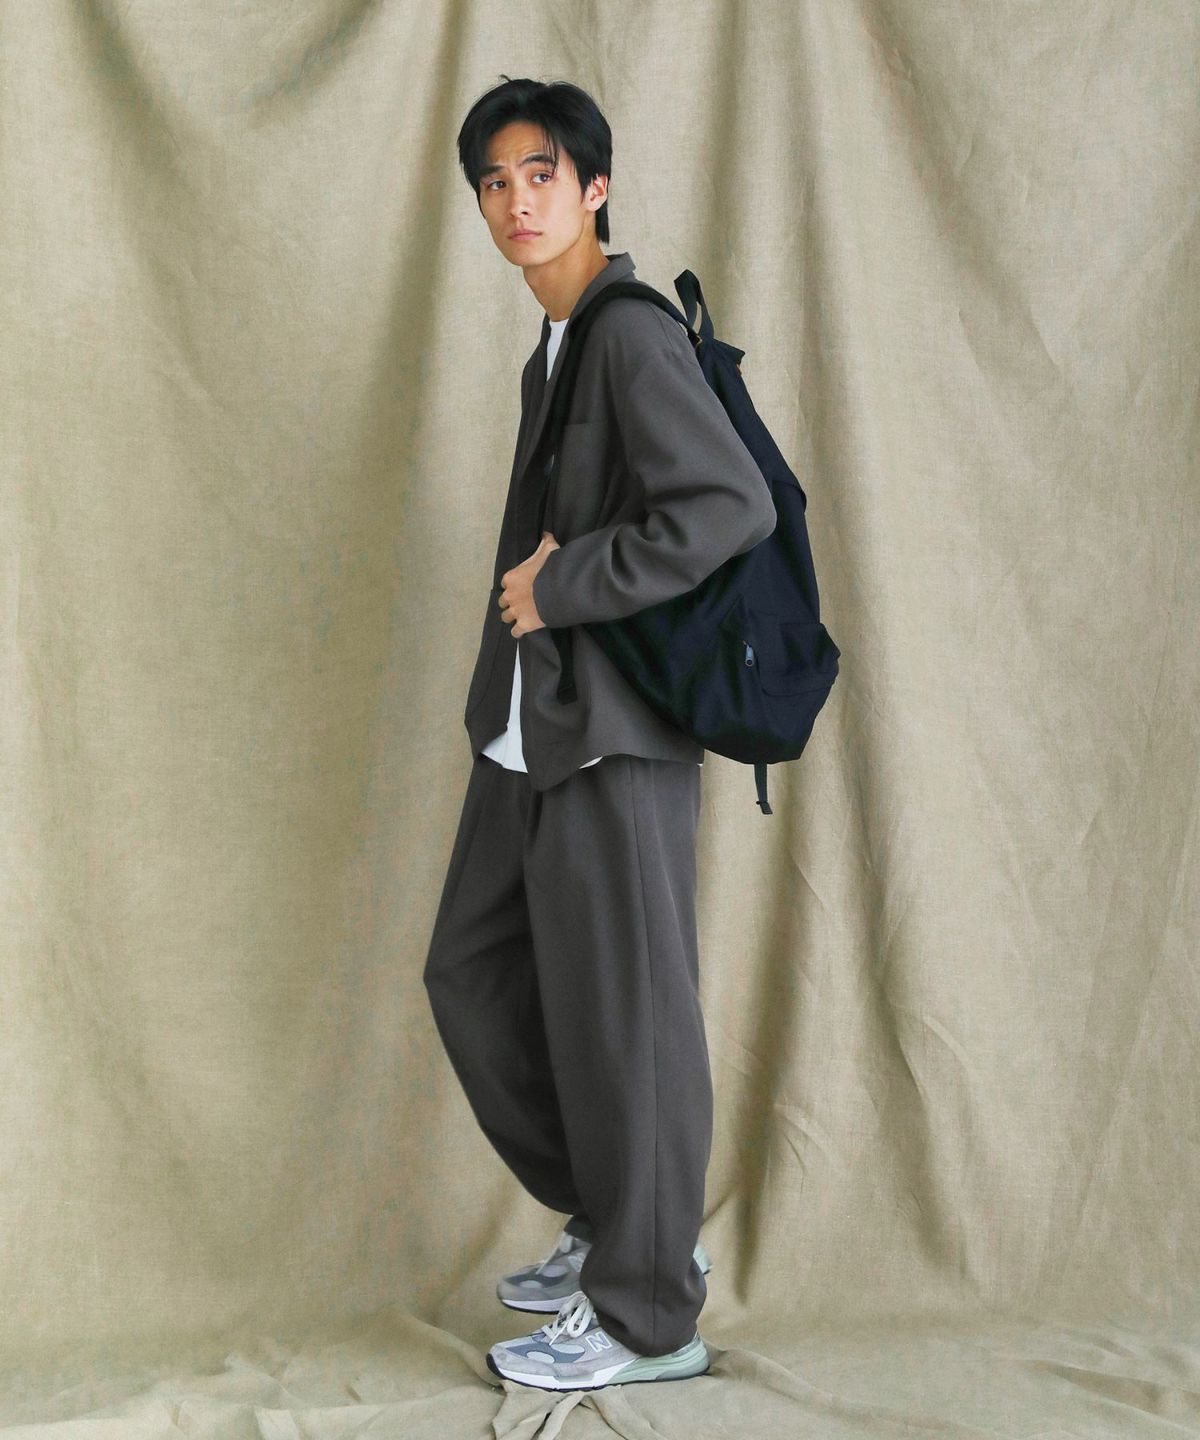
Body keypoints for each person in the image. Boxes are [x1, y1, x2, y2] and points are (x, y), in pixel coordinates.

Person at [422, 75, 776, 1392]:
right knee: (473, 972)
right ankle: (624, 1222)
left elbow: (726, 505)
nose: (517, 201)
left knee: (633, 1016)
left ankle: (649, 1312)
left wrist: (566, 584)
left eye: (541, 175)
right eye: (495, 182)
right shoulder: (558, 345)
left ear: (595, 188)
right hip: (532, 727)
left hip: (616, 731)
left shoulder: (626, 336)